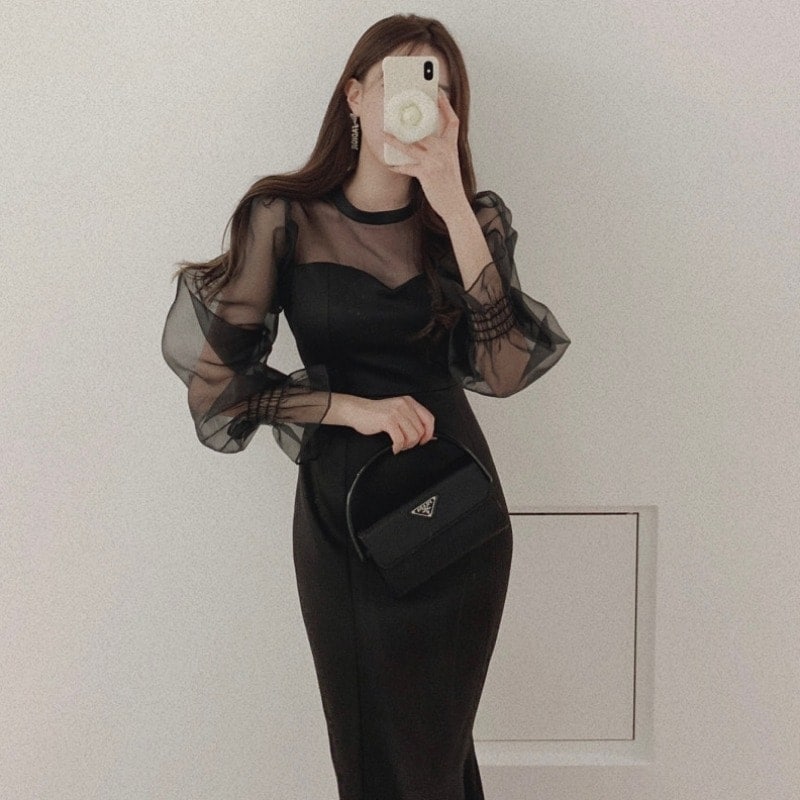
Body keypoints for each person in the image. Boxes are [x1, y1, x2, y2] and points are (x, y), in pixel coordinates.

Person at [162, 13, 570, 800]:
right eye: (398, 82)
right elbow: (219, 387)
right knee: (373, 752)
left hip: (458, 509)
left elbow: (507, 369)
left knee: (435, 756)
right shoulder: (282, 217)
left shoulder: (468, 221)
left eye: (438, 88)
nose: (417, 103)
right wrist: (350, 407)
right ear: (354, 96)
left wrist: (450, 200)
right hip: (345, 510)